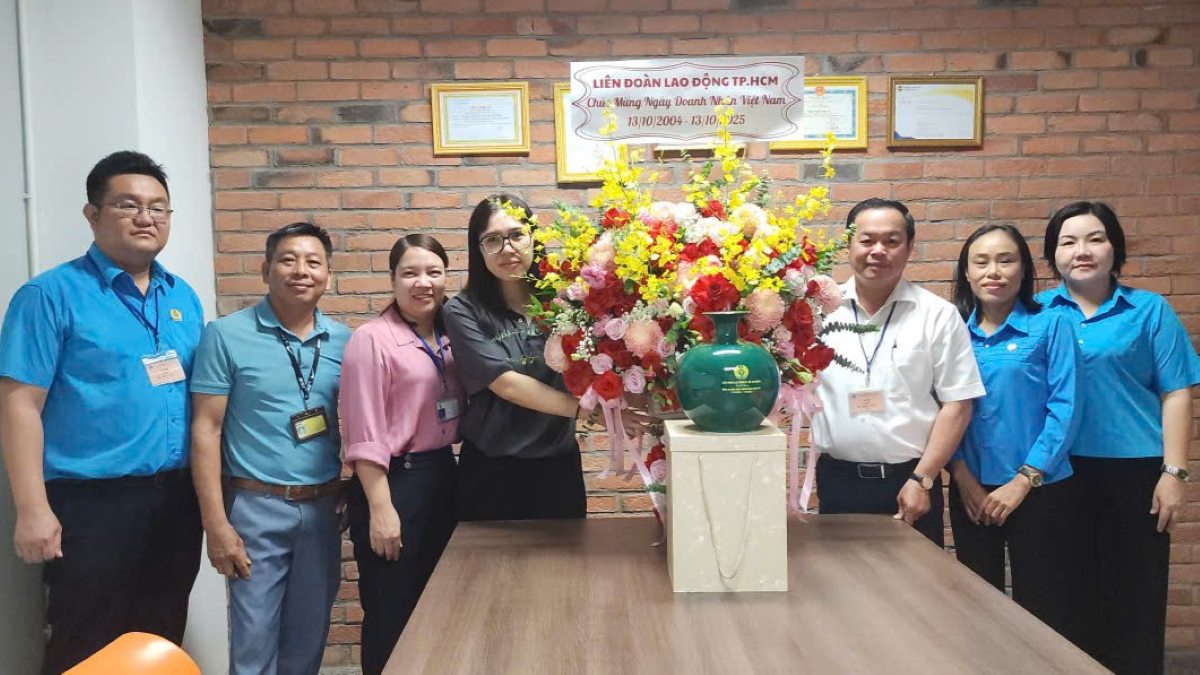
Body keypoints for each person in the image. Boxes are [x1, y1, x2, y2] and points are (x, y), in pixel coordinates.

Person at [0, 151, 203, 674]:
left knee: (159, 638)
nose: (146, 217)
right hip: (92, 504)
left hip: (178, 497)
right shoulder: (49, 295)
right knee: (86, 639)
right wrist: (32, 508)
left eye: (159, 208)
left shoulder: (181, 296)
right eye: (128, 205)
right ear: (92, 215)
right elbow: (19, 403)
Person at [1037, 201, 1200, 674]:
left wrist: (1174, 471)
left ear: (1114, 248)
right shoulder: (1038, 312)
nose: (1081, 251)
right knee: (1063, 593)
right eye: (1068, 242)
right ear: (1053, 255)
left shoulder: (1149, 310)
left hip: (1135, 473)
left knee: (1135, 594)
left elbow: (1176, 393)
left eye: (1095, 239)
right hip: (1057, 472)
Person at [189, 222, 351, 674]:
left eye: (313, 262)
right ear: (265, 269)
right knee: (253, 643)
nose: (301, 271)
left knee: (307, 642)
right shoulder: (225, 335)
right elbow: (206, 429)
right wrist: (216, 524)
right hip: (255, 508)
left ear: (328, 276)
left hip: (322, 510)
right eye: (288, 259)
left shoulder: (345, 341)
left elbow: (359, 424)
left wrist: (350, 487)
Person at [810, 198, 985, 545]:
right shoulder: (817, 313)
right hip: (837, 478)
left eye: (891, 241)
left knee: (915, 592)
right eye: (867, 240)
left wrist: (924, 479)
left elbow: (958, 404)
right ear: (849, 244)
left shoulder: (937, 314)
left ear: (909, 248)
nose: (878, 250)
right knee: (841, 589)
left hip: (910, 481)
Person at [947, 223, 1086, 646]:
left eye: (1006, 260)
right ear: (966, 273)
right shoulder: (953, 333)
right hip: (972, 490)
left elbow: (1067, 408)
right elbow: (940, 411)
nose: (994, 271)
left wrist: (1024, 481)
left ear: (1024, 270)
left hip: (1039, 490)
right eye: (981, 261)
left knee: (1044, 608)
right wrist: (963, 478)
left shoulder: (1053, 324)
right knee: (976, 605)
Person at [340, 234, 465, 675]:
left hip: (442, 477)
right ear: (392, 279)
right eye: (409, 273)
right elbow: (364, 431)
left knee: (441, 607)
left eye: (433, 271)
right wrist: (381, 509)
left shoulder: (453, 336)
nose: (422, 282)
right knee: (392, 612)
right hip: (393, 482)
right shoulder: (371, 340)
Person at [443, 194, 590, 521]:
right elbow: (506, 385)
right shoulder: (462, 310)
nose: (507, 249)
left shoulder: (565, 303)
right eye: (492, 240)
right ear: (477, 250)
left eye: (516, 235)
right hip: (491, 474)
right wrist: (588, 412)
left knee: (564, 571)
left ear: (534, 238)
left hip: (559, 470)